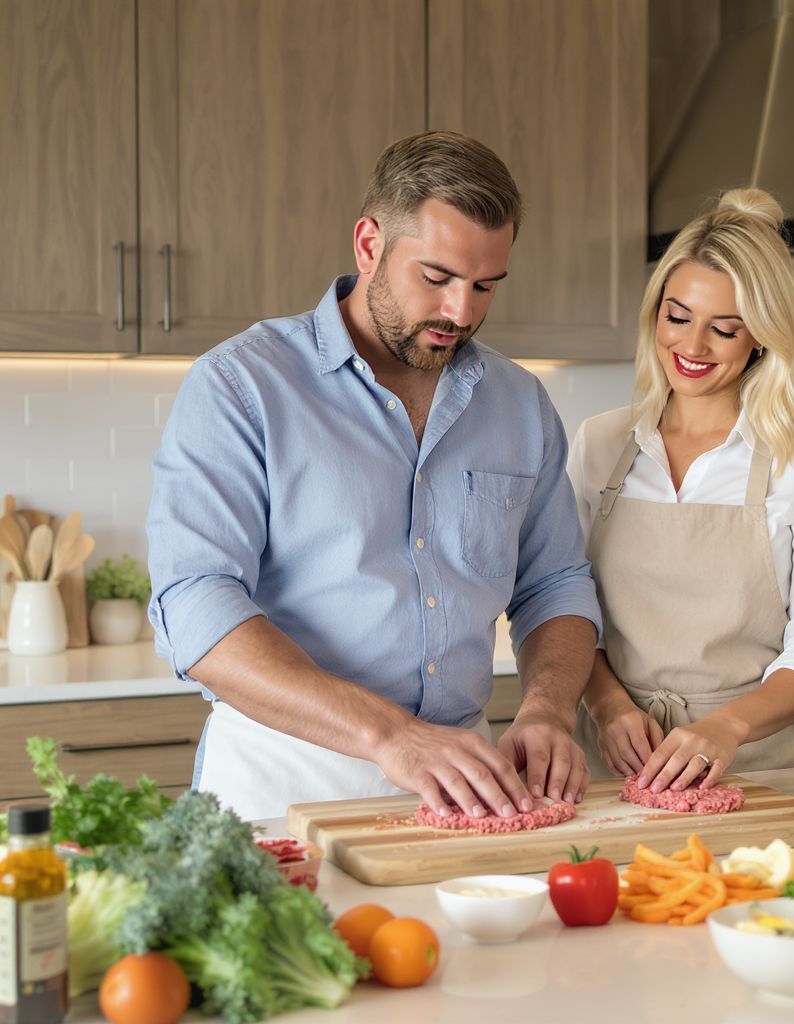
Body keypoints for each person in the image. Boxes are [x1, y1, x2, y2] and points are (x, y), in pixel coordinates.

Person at [147, 131, 601, 822]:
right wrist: (390, 736)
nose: (461, 312)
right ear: (369, 245)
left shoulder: (519, 403)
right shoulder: (242, 385)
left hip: (464, 776)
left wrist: (546, 711)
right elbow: (195, 606)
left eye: (485, 286)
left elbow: (555, 584)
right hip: (285, 775)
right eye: (437, 277)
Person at [568, 188, 794, 794]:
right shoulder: (598, 443)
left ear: (760, 335)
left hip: (762, 768)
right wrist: (606, 706)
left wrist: (726, 727)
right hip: (614, 763)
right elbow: (565, 606)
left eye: (723, 330)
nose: (692, 347)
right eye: (677, 317)